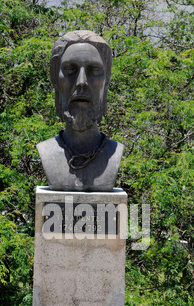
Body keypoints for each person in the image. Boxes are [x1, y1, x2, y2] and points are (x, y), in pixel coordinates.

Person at [37, 30, 124, 192]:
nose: (81, 82)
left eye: (94, 70)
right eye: (70, 69)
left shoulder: (115, 153)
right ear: (56, 81)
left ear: (106, 83)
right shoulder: (46, 152)